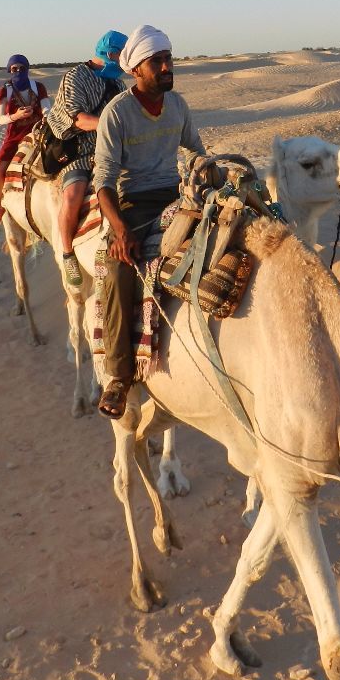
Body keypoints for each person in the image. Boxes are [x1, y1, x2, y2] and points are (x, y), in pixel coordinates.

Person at [93, 25, 206, 419]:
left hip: (176, 193)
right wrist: (120, 231)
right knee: (118, 269)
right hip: (133, 201)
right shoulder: (117, 114)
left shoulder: (178, 105)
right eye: (156, 61)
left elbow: (194, 151)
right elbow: (103, 183)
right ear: (136, 70)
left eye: (168, 59)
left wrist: (206, 169)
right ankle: (119, 375)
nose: (165, 67)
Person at [45, 29, 128, 286]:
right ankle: (67, 252)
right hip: (80, 150)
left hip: (111, 149)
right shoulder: (76, 77)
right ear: (111, 53)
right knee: (72, 196)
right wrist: (110, 123)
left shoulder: (117, 83)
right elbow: (76, 118)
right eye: (123, 56)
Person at [0, 53, 50, 226]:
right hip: (14, 136)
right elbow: (0, 119)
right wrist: (16, 115)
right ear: (9, 70)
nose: (18, 71)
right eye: (14, 68)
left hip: (38, 131)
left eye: (21, 68)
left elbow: (47, 108)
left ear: (27, 69)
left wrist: (46, 116)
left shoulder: (39, 87)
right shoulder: (4, 91)